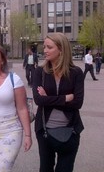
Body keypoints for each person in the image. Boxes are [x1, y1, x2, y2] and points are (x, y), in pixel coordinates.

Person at [32, 33, 84, 172]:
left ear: (61, 49)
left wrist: (48, 98)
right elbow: (38, 100)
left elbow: (78, 103)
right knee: (45, 168)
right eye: (44, 47)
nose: (45, 50)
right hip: (44, 131)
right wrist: (65, 98)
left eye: (49, 47)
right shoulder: (39, 72)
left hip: (71, 131)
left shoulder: (76, 72)